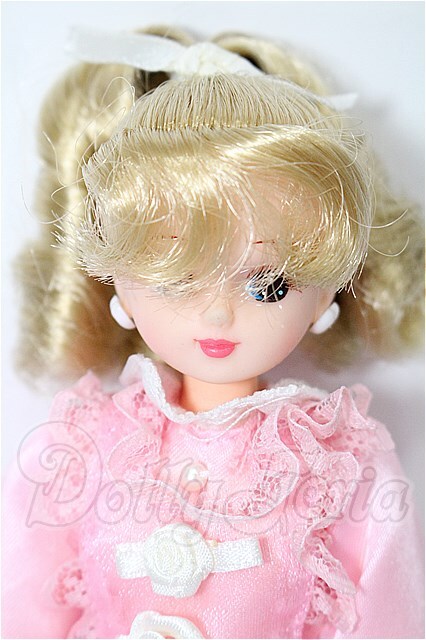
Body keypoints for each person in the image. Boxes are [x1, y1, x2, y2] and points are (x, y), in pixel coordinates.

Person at [2, 26, 424, 639]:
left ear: (324, 296)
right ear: (118, 285)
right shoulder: (85, 446)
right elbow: (25, 604)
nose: (220, 316)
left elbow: (388, 613)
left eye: (268, 285)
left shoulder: (338, 462)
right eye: (177, 278)